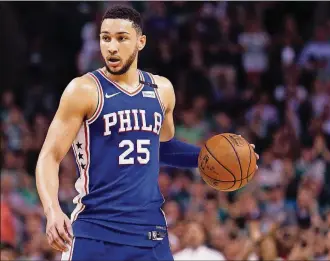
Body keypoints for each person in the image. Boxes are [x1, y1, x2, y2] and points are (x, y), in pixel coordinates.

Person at [35, 5, 258, 261]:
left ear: (140, 42)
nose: (111, 47)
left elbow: (162, 146)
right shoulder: (84, 90)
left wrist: (223, 157)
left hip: (149, 233)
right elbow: (49, 156)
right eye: (105, 38)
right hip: (95, 230)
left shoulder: (162, 90)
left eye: (121, 38)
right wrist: (52, 210)